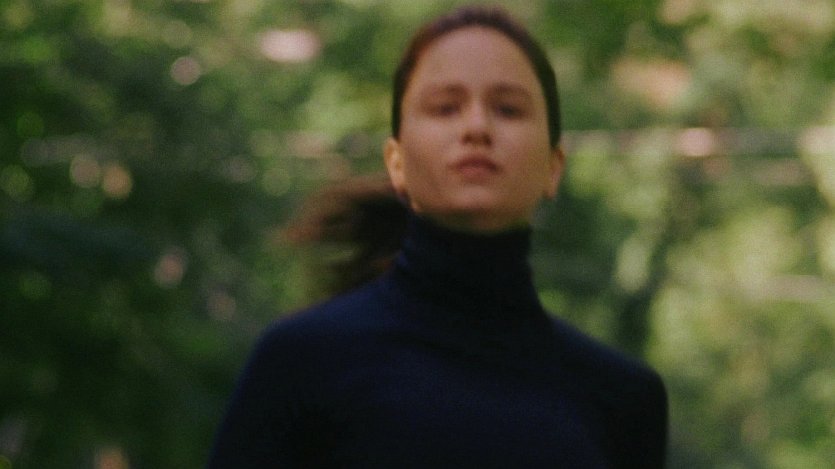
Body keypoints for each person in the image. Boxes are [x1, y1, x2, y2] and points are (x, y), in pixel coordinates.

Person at [208, 5, 668, 468]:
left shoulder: (622, 398)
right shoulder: (301, 363)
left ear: (553, 166)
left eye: (508, 109)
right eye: (445, 108)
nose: (476, 128)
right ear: (397, 163)